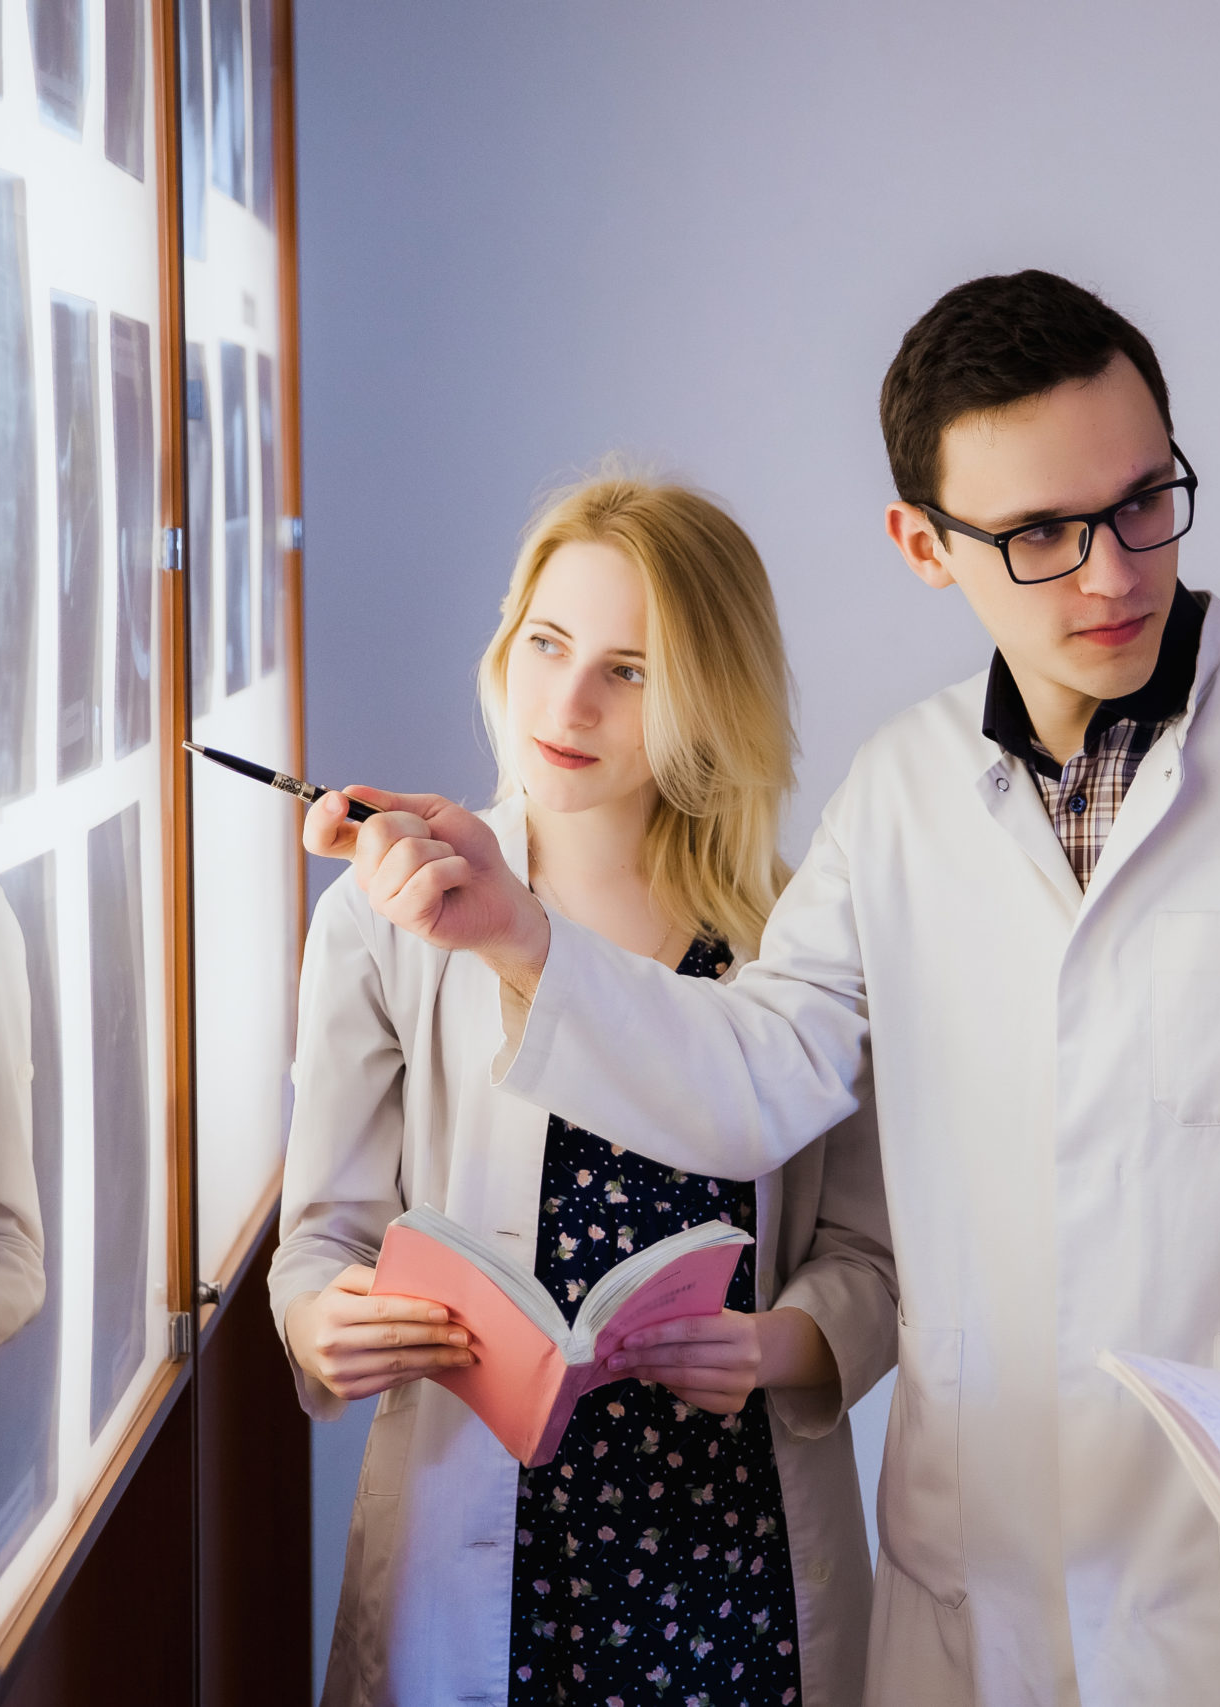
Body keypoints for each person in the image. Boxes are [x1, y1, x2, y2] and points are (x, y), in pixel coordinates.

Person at [309, 271, 1220, 1702]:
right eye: (1041, 532)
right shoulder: (902, 793)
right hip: (968, 1601)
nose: (1113, 571)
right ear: (922, 544)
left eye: (1142, 500)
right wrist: (517, 933)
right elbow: (752, 1079)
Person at [271, 475, 895, 1707]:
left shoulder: (795, 943)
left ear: (709, 697)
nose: (567, 702)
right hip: (483, 1553)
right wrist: (320, 1322)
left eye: (633, 670)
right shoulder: (386, 922)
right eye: (548, 645)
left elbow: (869, 1259)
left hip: (732, 1574)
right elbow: (319, 1241)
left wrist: (775, 1345)